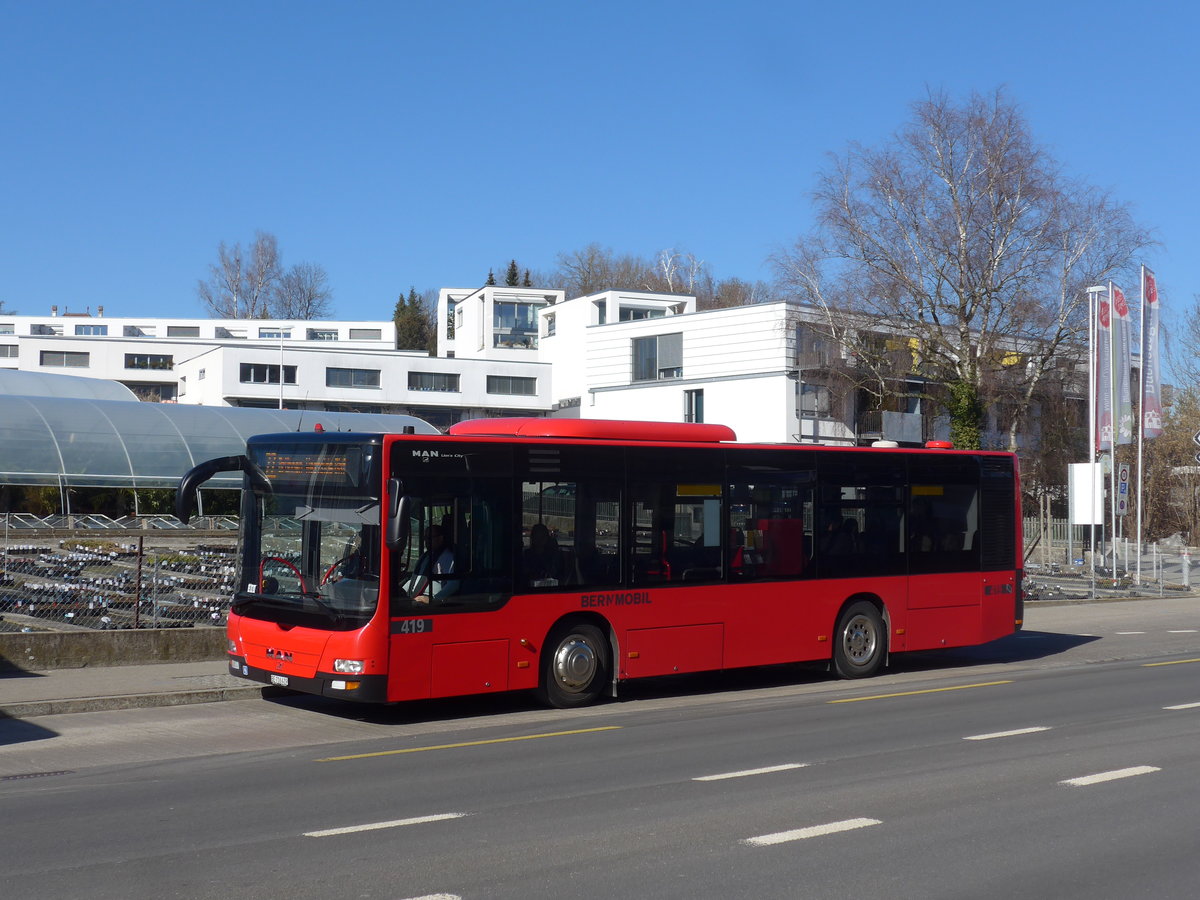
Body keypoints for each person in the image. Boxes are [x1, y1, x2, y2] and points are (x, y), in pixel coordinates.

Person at [408, 524, 456, 604]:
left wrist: (434, 600)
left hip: (432, 602)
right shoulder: (425, 556)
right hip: (415, 598)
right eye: (425, 538)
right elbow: (417, 578)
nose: (426, 541)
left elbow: (454, 585)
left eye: (430, 537)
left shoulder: (448, 558)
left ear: (440, 538)